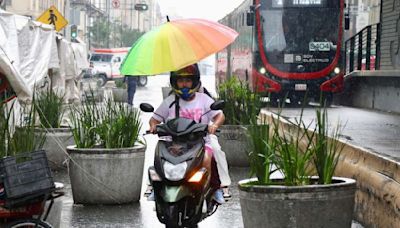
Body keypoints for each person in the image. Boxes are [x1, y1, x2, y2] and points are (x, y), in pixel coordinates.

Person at [148, 64, 226, 204]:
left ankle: (215, 188)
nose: (184, 84)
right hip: (173, 142)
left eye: (188, 80)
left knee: (211, 155)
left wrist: (214, 125)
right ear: (175, 82)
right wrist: (153, 127)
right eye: (180, 80)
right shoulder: (170, 102)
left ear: (195, 81)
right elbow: (154, 119)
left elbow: (220, 115)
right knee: (158, 155)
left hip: (200, 141)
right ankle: (155, 187)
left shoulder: (204, 99)